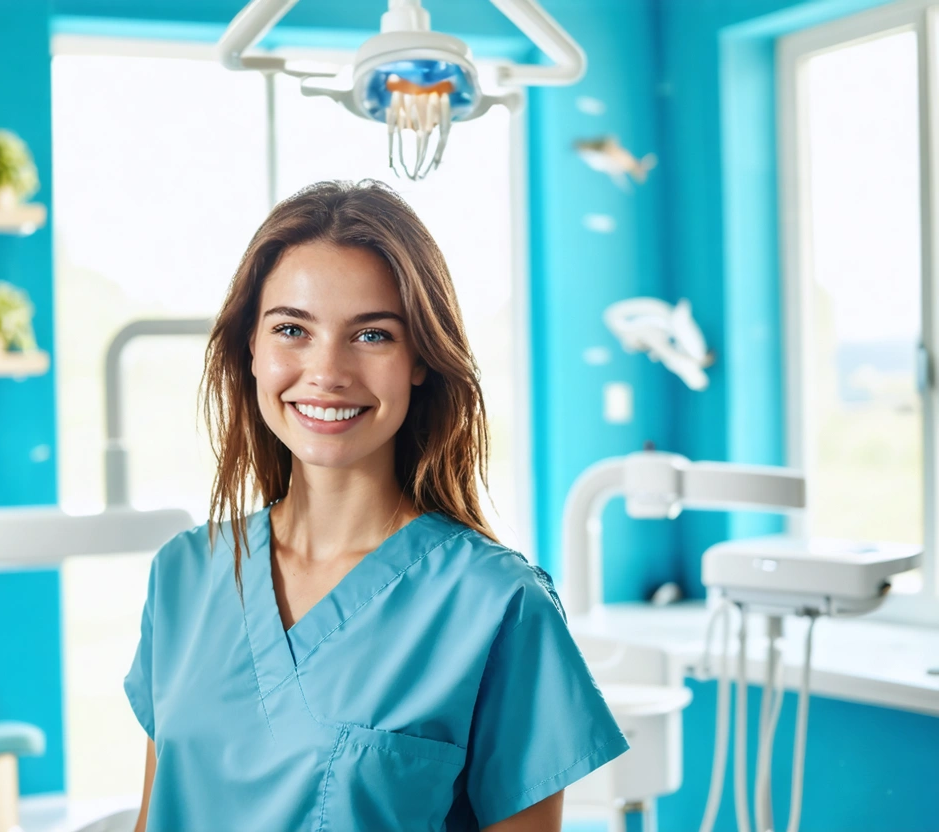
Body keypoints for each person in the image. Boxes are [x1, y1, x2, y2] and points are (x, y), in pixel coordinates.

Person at [125, 180, 627, 831]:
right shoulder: (184, 576)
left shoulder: (495, 605)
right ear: (251, 347)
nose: (327, 371)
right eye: (291, 329)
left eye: (371, 335)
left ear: (420, 357)